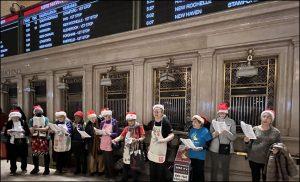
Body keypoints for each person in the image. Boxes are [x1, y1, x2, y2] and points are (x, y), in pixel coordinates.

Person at [244, 109, 281, 182]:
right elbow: (248, 146)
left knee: (266, 179)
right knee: (255, 178)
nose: (266, 119)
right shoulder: (254, 129)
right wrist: (246, 142)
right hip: (254, 159)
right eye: (264, 116)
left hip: (268, 160)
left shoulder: (276, 132)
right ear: (261, 118)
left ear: (271, 120)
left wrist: (277, 150)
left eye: (268, 117)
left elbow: (279, 145)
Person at [144, 104, 174, 182]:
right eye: (154, 111)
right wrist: (150, 147)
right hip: (152, 150)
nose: (156, 113)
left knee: (160, 172)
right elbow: (148, 130)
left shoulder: (165, 122)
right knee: (152, 171)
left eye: (158, 111)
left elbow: (172, 135)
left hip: (161, 150)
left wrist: (163, 140)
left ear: (162, 112)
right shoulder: (152, 122)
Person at [112, 112, 146, 182]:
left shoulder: (139, 126)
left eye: (131, 120)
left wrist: (137, 140)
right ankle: (124, 178)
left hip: (135, 149)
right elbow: (121, 136)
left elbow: (143, 137)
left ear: (134, 119)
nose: (130, 122)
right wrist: (115, 139)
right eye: (129, 120)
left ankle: (135, 179)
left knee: (134, 166)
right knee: (125, 165)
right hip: (127, 149)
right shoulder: (126, 128)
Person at [209, 102, 236, 181]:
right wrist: (215, 134)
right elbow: (209, 136)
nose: (222, 114)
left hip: (227, 149)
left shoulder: (231, 122)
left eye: (223, 113)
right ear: (218, 112)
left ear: (226, 113)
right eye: (220, 112)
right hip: (214, 149)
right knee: (214, 169)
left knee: (225, 170)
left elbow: (234, 137)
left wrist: (226, 133)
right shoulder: (214, 121)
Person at [187, 114, 212, 182]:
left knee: (199, 173)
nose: (193, 123)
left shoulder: (205, 131)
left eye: (195, 122)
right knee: (192, 173)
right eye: (193, 122)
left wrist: (201, 148)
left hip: (200, 156)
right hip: (191, 154)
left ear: (200, 123)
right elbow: (189, 140)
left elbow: (208, 144)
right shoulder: (191, 130)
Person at [5, 109, 30, 176]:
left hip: (22, 141)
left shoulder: (23, 122)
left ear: (19, 117)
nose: (15, 118)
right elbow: (5, 133)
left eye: (17, 117)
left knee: (23, 156)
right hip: (12, 142)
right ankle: (13, 170)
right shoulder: (9, 123)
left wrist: (23, 132)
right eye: (14, 117)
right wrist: (8, 132)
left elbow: (28, 132)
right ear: (11, 117)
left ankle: (24, 169)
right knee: (13, 157)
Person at [28, 105, 50, 175]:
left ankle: (47, 169)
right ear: (34, 112)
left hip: (44, 138)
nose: (38, 112)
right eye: (36, 111)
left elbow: (46, 128)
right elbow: (30, 131)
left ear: (42, 111)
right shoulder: (31, 120)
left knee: (46, 154)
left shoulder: (46, 119)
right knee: (35, 154)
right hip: (35, 138)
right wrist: (32, 128)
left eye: (39, 111)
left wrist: (36, 128)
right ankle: (36, 168)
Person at [99, 108, 119, 178]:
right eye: (105, 116)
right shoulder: (102, 123)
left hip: (110, 142)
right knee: (105, 159)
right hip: (103, 142)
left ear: (110, 115)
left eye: (108, 115)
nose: (107, 117)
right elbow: (101, 132)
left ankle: (112, 175)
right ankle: (107, 174)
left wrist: (110, 133)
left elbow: (116, 134)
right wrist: (98, 133)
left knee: (110, 160)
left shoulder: (114, 122)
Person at [85, 109, 105, 176]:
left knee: (100, 157)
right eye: (91, 118)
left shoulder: (100, 122)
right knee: (92, 157)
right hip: (91, 143)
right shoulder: (88, 124)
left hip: (99, 142)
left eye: (93, 118)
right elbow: (86, 133)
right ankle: (92, 170)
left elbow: (103, 130)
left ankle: (100, 170)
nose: (93, 119)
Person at [71, 110, 87, 175]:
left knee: (83, 157)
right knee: (76, 157)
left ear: (81, 118)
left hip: (82, 143)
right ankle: (77, 169)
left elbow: (86, 133)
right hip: (75, 142)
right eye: (75, 117)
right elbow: (71, 132)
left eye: (78, 117)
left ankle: (84, 170)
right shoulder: (73, 124)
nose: (76, 119)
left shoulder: (84, 124)